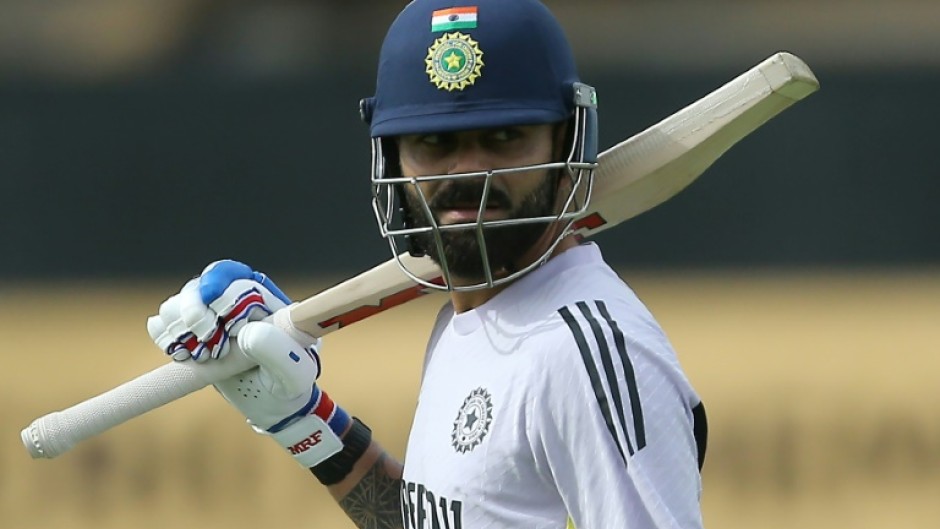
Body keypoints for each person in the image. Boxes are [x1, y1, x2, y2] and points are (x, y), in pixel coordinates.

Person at [146, 0, 708, 528]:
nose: (466, 171)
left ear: (565, 145)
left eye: (504, 136)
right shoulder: (468, 321)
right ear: (393, 158)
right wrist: (305, 423)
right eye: (434, 141)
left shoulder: (584, 357)